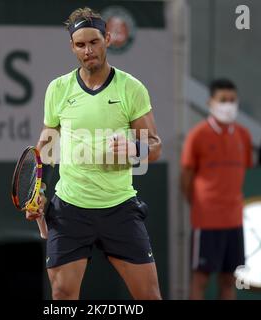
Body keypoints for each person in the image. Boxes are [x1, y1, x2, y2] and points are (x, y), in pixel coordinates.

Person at [25, 7, 162, 300]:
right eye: (81, 44)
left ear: (107, 39)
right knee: (61, 294)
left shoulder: (131, 88)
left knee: (149, 296)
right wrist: (40, 189)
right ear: (72, 47)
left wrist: (135, 148)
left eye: (94, 42)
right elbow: (47, 148)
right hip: (70, 209)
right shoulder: (58, 89)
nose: (88, 50)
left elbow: (155, 146)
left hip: (119, 207)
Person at [180, 79, 253, 300]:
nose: (228, 105)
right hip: (206, 220)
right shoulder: (198, 134)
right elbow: (185, 177)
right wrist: (200, 205)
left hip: (234, 219)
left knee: (230, 280)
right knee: (200, 278)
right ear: (210, 102)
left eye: (232, 100)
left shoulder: (243, 135)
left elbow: (243, 171)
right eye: (223, 100)